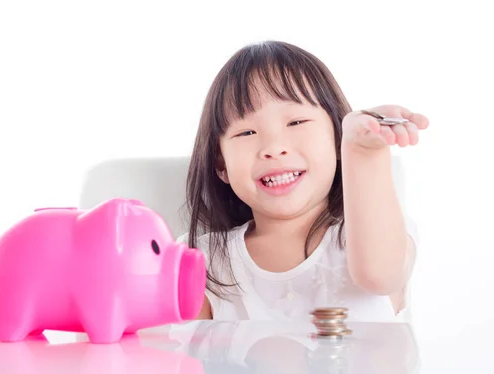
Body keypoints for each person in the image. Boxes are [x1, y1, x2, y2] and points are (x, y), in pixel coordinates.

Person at [179, 40, 429, 322]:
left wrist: (363, 154)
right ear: (221, 164)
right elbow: (180, 356)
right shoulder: (204, 260)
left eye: (296, 122)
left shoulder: (369, 234)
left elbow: (380, 276)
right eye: (246, 132)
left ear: (337, 139)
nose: (273, 147)